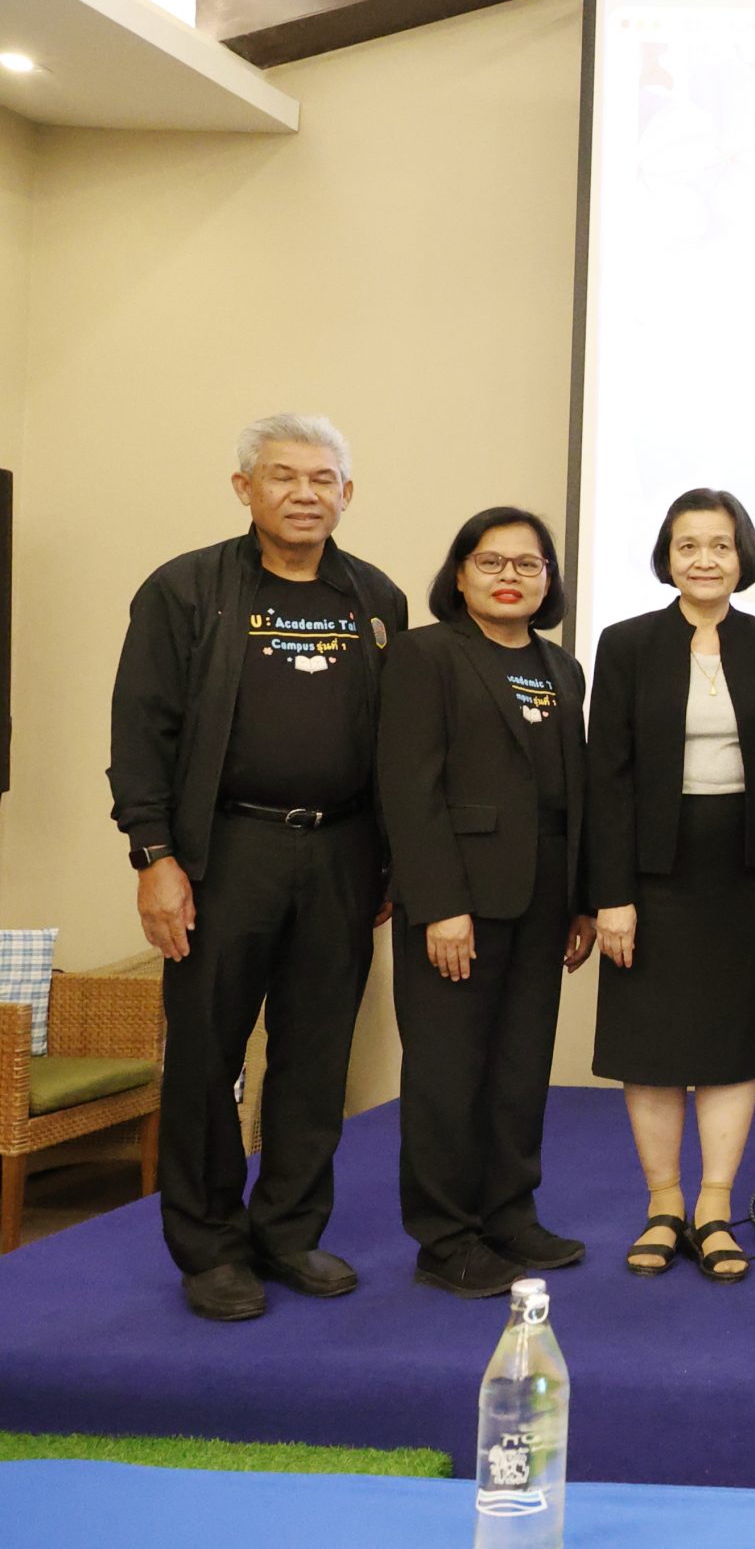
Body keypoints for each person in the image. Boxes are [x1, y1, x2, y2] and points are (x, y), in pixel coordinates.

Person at [108, 416, 409, 1322]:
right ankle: (208, 1246)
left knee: (315, 1055)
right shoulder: (185, 589)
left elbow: (401, 742)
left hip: (342, 852)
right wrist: (155, 856)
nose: (305, 494)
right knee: (206, 1053)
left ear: (347, 494)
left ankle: (286, 1231)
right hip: (224, 851)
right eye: (284, 476)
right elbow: (141, 731)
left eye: (323, 479)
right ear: (245, 488)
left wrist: (391, 859)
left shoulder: (377, 599)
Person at [378, 508, 598, 1298]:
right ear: (460, 573)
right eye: (491, 561)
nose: (510, 576)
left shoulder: (560, 666)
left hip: (542, 902)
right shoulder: (426, 655)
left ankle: (509, 1213)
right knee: (447, 1075)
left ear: (548, 579)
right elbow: (409, 789)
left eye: (527, 564)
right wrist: (439, 902)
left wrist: (580, 901)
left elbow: (572, 794)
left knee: (518, 1070)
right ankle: (445, 1239)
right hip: (459, 902)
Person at [587, 489, 755, 1283]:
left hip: (745, 872)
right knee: (650, 1049)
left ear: (742, 555)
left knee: (729, 1047)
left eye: (720, 544)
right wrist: (611, 892)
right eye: (688, 545)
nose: (704, 559)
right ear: (667, 555)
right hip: (651, 874)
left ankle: (714, 1207)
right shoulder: (626, 643)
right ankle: (663, 1204)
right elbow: (606, 777)